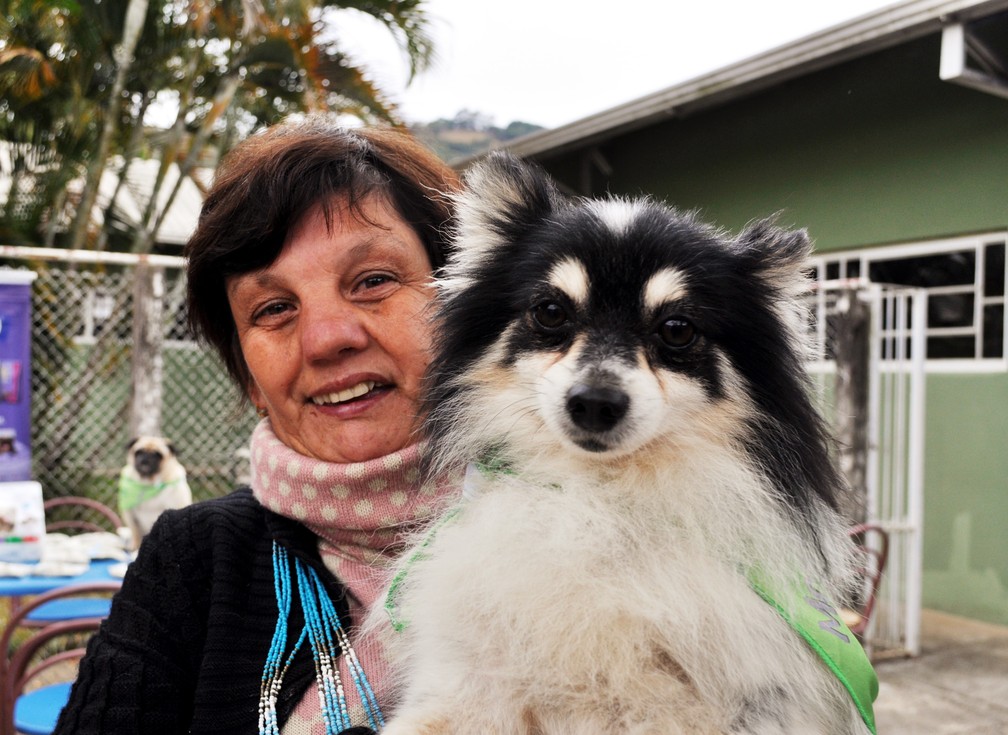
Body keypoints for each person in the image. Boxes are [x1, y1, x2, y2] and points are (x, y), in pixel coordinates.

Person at [54, 116, 462, 735]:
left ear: (468, 304)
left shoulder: (593, 527)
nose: (327, 339)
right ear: (249, 379)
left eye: (374, 280)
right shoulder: (193, 562)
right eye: (274, 309)